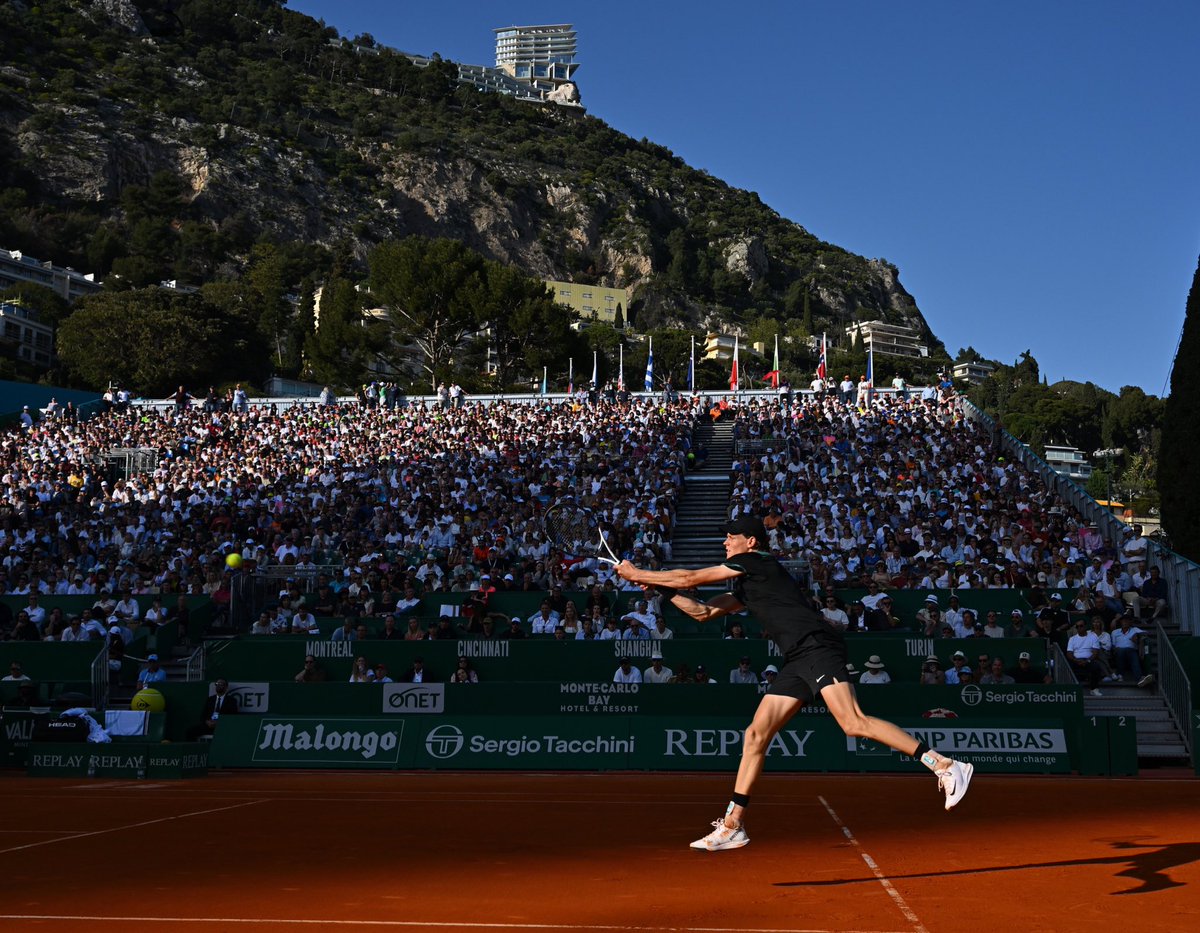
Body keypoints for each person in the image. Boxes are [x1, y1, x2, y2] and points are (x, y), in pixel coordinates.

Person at [616, 515, 973, 851]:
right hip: (796, 658)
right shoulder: (748, 581)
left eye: (731, 537)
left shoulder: (758, 562)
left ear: (750, 542)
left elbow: (687, 579)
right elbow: (702, 612)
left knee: (852, 722)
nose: (725, 542)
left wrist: (638, 573)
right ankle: (733, 824)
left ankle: (943, 764)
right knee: (755, 735)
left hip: (817, 645)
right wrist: (656, 587)